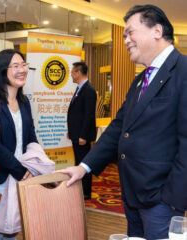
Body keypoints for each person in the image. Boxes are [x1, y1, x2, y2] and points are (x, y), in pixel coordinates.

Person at [58, 4, 187, 240]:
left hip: (161, 202)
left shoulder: (184, 71)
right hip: (131, 195)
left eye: (130, 32)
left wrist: (172, 200)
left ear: (156, 31)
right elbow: (119, 128)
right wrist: (84, 167)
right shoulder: (140, 80)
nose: (126, 39)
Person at [0, 49, 37, 240]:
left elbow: (30, 136)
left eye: (24, 65)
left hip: (20, 179)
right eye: (16, 66)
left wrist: (37, 163)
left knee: (12, 233)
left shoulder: (24, 101)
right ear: (2, 70)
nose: (22, 70)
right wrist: (18, 169)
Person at [67, 61, 97, 200]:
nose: (71, 75)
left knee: (83, 164)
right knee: (79, 162)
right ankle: (80, 189)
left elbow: (88, 115)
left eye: (73, 72)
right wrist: (71, 130)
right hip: (76, 134)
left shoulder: (89, 90)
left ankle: (86, 192)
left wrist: (83, 135)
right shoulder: (80, 88)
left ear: (78, 73)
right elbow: (76, 113)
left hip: (82, 137)